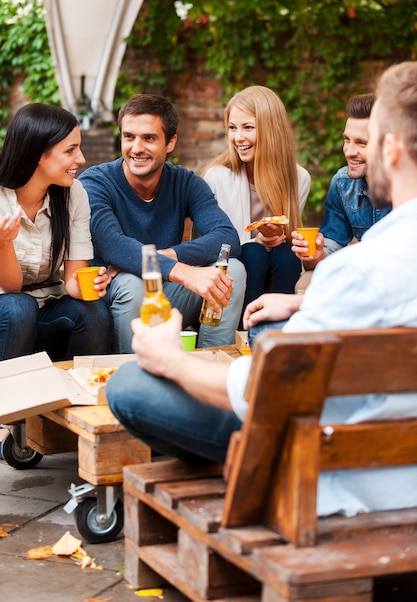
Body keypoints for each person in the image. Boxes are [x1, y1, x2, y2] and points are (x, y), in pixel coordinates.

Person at [106, 60, 417, 516]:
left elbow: (268, 390)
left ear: (389, 151)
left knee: (129, 383)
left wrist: (170, 359)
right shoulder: (364, 266)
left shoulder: (358, 269)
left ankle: (244, 464)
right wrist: (300, 301)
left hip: (339, 477)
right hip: (397, 461)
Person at [80, 94, 246, 352]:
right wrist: (184, 270)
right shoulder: (96, 183)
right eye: (129, 137)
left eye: (149, 138)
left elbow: (227, 238)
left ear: (170, 142)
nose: (136, 148)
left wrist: (162, 256)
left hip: (166, 294)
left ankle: (210, 366)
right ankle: (132, 376)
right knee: (131, 283)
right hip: (116, 298)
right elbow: (113, 246)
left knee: (231, 270)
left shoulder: (186, 183)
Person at [0, 103, 113, 362]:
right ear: (39, 153)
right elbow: (10, 287)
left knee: (94, 311)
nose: (81, 159)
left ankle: (82, 394)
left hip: (47, 308)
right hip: (6, 313)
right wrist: (4, 244)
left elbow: (73, 281)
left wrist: (89, 284)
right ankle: (11, 398)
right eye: (70, 150)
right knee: (20, 308)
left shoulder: (74, 195)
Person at [202, 86, 310, 316]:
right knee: (254, 255)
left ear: (272, 130)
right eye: (232, 128)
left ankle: (277, 331)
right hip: (233, 266)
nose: (238, 138)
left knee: (287, 256)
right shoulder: (217, 177)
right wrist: (255, 242)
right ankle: (244, 331)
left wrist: (275, 237)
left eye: (248, 127)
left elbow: (289, 240)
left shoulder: (299, 178)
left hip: (276, 263)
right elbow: (212, 245)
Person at [292, 92, 391, 291]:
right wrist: (316, 254)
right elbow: (329, 249)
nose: (349, 151)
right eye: (347, 140)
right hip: (363, 272)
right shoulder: (343, 183)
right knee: (307, 282)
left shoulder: (407, 185)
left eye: (362, 143)